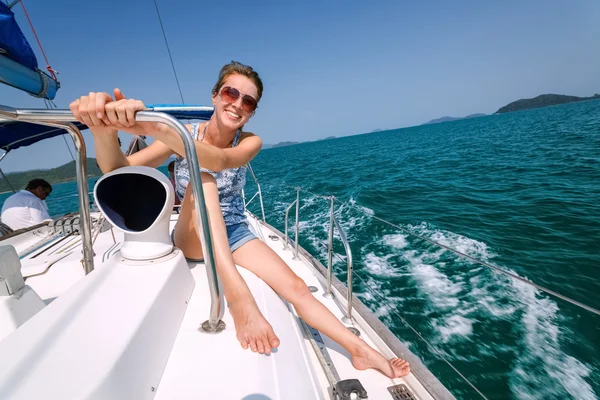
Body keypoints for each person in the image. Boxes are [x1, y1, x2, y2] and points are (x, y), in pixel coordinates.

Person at [69, 61, 409, 378]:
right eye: (231, 94)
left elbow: (218, 159)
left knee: (295, 287)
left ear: (251, 112)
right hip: (193, 236)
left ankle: (360, 350)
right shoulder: (184, 132)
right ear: (215, 96)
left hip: (235, 231)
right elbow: (119, 171)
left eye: (248, 102)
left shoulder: (249, 141)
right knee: (204, 182)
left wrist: (153, 126)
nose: (237, 104)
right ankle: (237, 295)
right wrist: (105, 131)